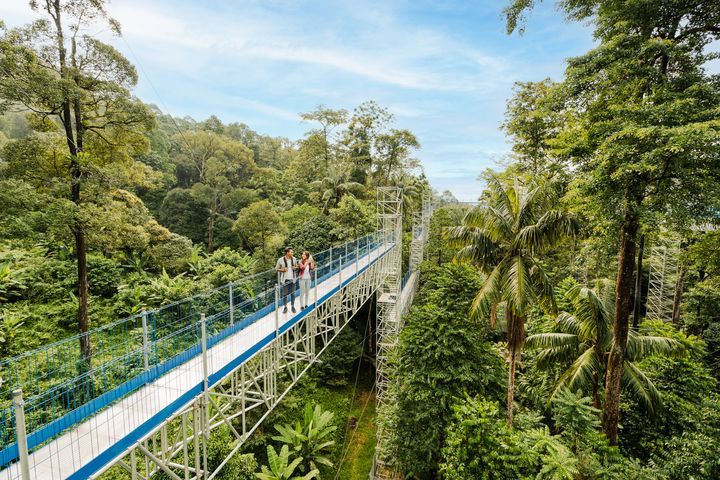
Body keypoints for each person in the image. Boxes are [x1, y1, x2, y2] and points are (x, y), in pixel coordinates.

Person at [275, 247, 298, 314]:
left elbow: (296, 267)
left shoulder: (294, 259)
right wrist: (282, 270)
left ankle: (292, 306)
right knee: (284, 294)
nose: (292, 253)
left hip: (292, 279)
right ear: (287, 253)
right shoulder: (280, 260)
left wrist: (295, 268)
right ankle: (285, 307)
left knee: (293, 294)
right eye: (291, 252)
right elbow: (276, 268)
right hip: (285, 280)